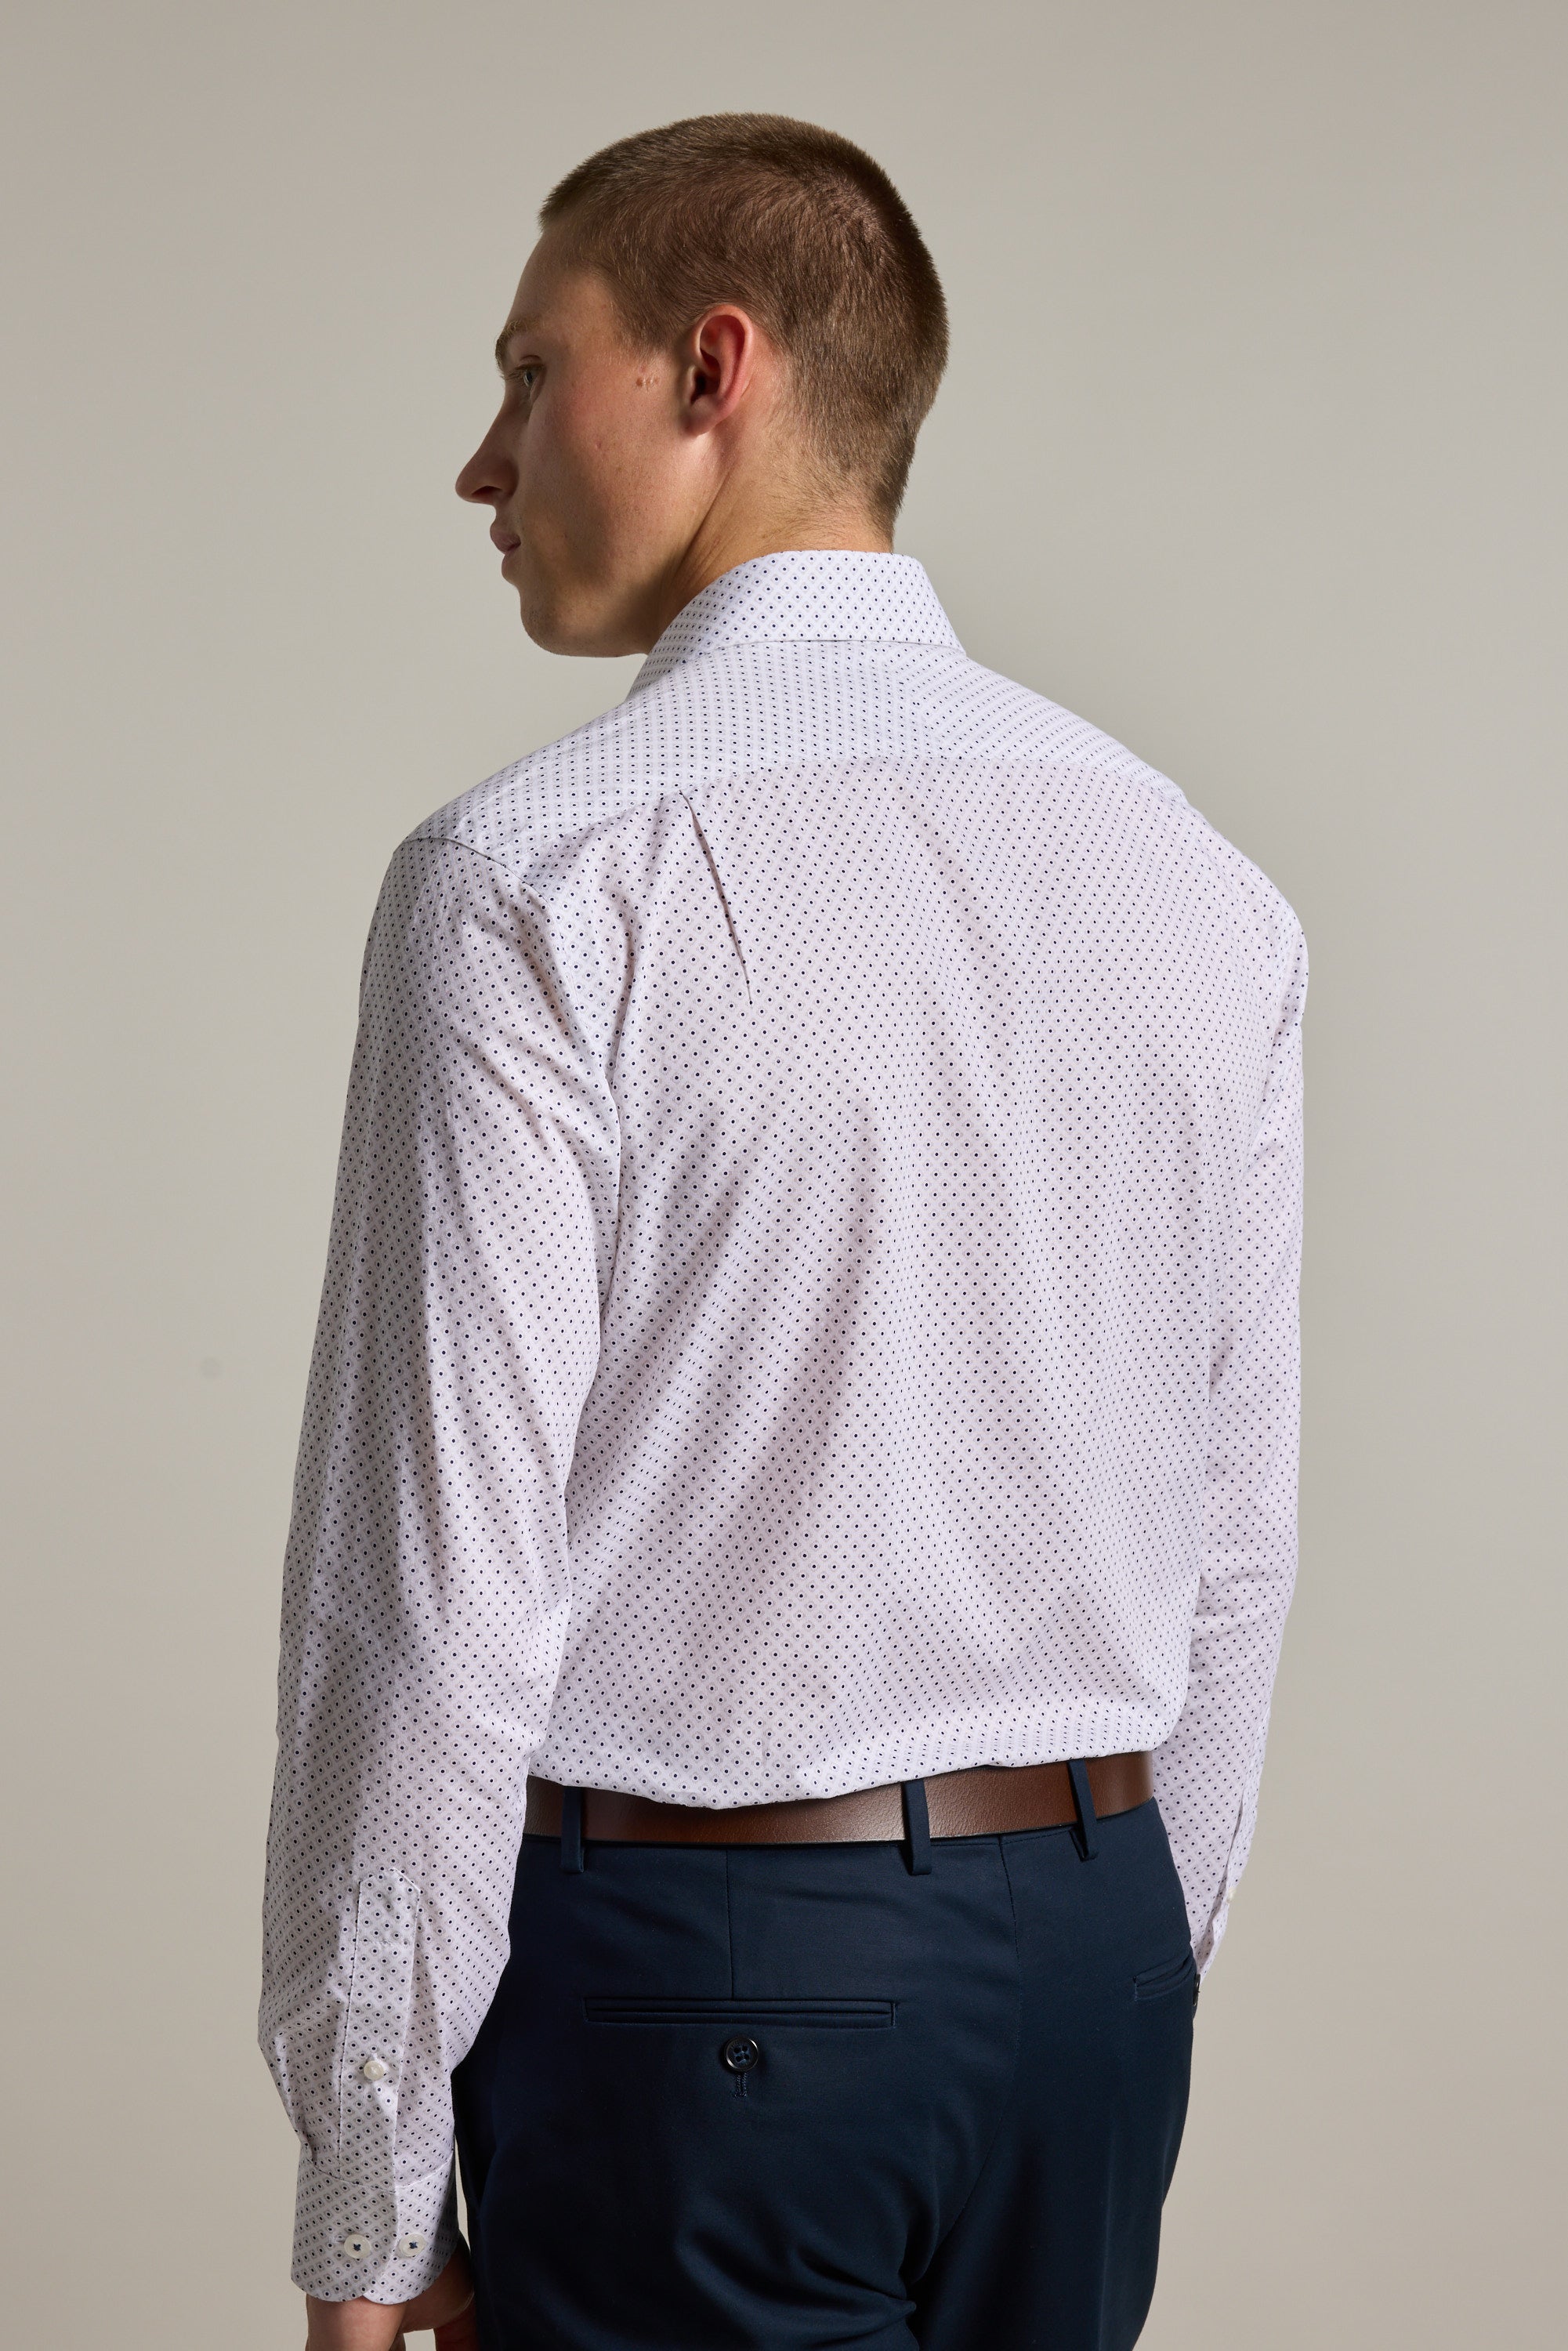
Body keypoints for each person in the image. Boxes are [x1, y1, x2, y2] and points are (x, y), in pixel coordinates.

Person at [260, 112, 1305, 2351]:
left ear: (711, 369)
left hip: (706, 1991)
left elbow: (432, 1601)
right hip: (1087, 1977)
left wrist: (367, 2186)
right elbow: (1234, 1537)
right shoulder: (1197, 882)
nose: (483, 459)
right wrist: (1130, 1967)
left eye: (532, 371)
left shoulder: (532, 882)